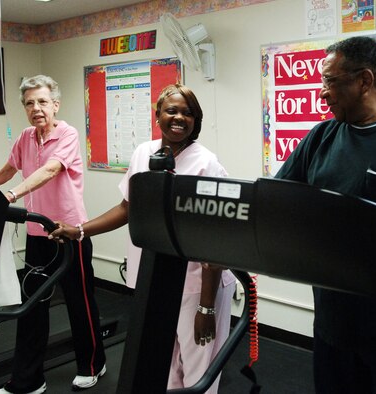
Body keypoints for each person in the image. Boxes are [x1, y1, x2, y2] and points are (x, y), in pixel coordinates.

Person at [49, 84, 236, 393]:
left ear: (196, 120)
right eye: (171, 110)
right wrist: (80, 229)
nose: (179, 118)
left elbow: (213, 238)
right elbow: (127, 207)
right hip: (153, 278)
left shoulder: (207, 163)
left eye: (188, 113)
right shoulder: (143, 153)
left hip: (196, 285)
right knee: (162, 364)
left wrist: (206, 308)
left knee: (198, 369)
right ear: (158, 114)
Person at [275, 36, 376, 394]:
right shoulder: (321, 136)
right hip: (333, 322)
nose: (322, 93)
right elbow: (277, 199)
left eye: (330, 81)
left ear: (364, 81)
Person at [0, 75, 106, 394]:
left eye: (42, 102)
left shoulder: (67, 133)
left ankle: (93, 364)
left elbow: (50, 170)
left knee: (79, 302)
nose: (36, 108)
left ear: (55, 104)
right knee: (32, 308)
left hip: (69, 234)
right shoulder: (25, 137)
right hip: (37, 235)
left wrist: (11, 196)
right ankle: (28, 380)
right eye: (29, 103)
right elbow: (5, 172)